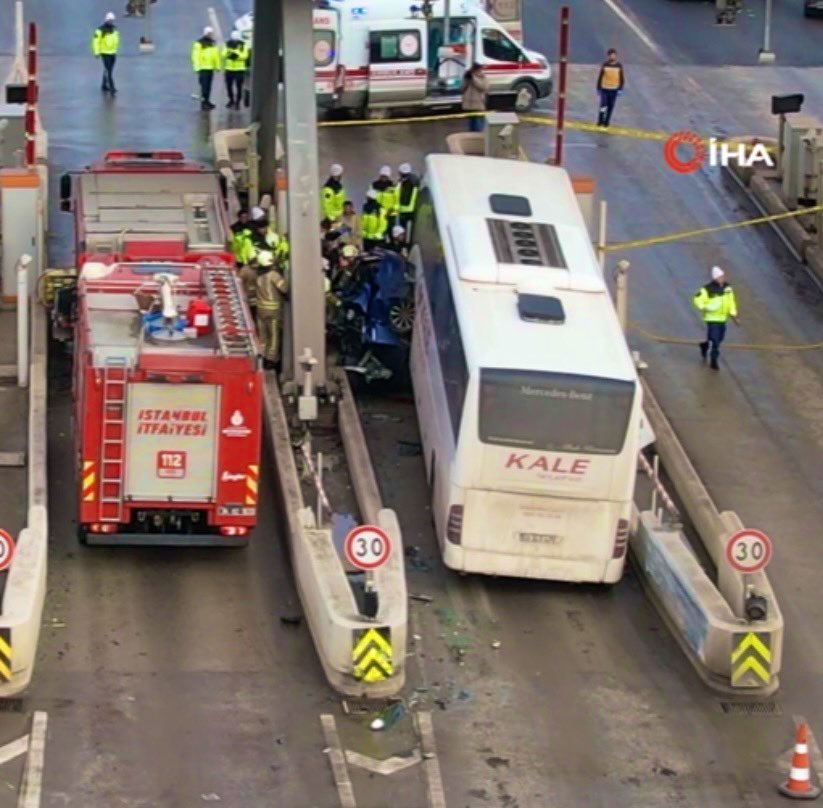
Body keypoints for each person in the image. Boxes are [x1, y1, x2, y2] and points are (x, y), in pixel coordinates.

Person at [693, 265, 739, 370]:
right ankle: (714, 360)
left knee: (719, 338)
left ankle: (705, 346)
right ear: (715, 278)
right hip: (712, 318)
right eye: (720, 276)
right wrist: (705, 307)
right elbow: (697, 299)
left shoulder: (728, 288)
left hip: (723, 318)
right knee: (715, 340)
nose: (722, 278)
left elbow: (731, 302)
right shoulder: (707, 289)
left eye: (722, 276)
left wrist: (734, 314)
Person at [255, 251, 289, 370]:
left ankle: (262, 356)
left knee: (262, 335)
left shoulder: (258, 276)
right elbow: (285, 289)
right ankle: (271, 359)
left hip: (260, 311)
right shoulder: (274, 275)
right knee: (274, 336)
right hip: (273, 311)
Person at [192, 27, 221, 111]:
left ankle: (207, 101)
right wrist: (197, 68)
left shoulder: (212, 44)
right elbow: (195, 56)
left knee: (208, 86)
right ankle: (204, 103)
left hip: (210, 68)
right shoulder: (199, 44)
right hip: (203, 68)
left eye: (211, 33)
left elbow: (216, 56)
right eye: (209, 33)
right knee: (204, 87)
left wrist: (217, 66)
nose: (211, 35)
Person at [92, 13, 120, 95]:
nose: (111, 22)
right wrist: (97, 52)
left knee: (109, 70)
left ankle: (104, 85)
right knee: (108, 71)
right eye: (110, 20)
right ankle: (112, 86)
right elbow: (95, 42)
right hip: (105, 53)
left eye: (112, 20)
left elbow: (116, 39)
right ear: (106, 20)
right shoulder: (100, 30)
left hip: (113, 53)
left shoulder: (114, 29)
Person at [596, 49, 625, 128]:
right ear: (608, 56)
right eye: (611, 55)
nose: (612, 56)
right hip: (604, 88)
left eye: (614, 55)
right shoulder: (605, 65)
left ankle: (607, 121)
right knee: (603, 105)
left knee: (610, 106)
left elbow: (621, 78)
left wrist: (620, 89)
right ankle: (600, 120)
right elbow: (600, 76)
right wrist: (598, 88)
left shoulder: (619, 66)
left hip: (614, 89)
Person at [222, 30, 250, 110]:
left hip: (239, 70)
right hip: (229, 69)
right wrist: (231, 54)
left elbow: (245, 56)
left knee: (239, 87)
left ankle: (238, 102)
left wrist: (236, 55)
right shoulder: (227, 44)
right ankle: (231, 100)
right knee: (229, 86)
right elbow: (223, 54)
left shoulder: (243, 45)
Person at [461, 63, 488, 132]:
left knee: (478, 125)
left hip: (478, 105)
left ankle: (479, 138)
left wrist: (474, 79)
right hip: (469, 106)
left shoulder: (482, 77)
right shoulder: (468, 77)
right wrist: (466, 80)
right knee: (471, 125)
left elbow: (483, 87)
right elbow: (462, 89)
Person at [396, 163, 420, 234]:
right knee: (412, 229)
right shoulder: (415, 180)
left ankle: (403, 242)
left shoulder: (406, 183)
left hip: (405, 209)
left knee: (402, 229)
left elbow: (403, 197)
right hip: (413, 209)